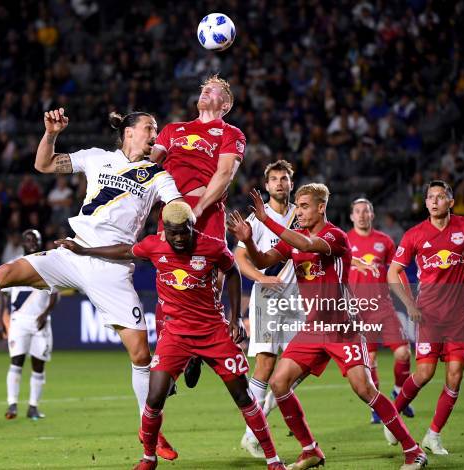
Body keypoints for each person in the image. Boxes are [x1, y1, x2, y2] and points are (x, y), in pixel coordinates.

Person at [0, 107, 182, 460]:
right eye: (148, 128)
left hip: (111, 265)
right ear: (128, 133)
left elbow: (178, 210)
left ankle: (151, 432)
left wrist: (179, 215)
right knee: (7, 273)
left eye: (155, 129)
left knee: (141, 354)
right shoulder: (97, 158)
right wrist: (51, 134)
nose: (154, 134)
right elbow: (45, 165)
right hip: (71, 253)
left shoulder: (158, 175)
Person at [55, 202, 286, 470]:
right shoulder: (155, 245)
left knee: (243, 396)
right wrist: (84, 250)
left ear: (192, 227)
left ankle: (273, 459)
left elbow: (232, 272)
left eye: (183, 232)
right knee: (154, 398)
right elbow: (124, 251)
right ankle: (149, 458)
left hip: (213, 332)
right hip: (175, 334)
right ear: (165, 229)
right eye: (173, 232)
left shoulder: (212, 246)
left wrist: (235, 319)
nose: (178, 238)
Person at [228, 185, 427, 470]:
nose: (299, 210)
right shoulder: (294, 239)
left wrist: (266, 220)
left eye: (305, 205)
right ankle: (310, 449)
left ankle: (413, 450)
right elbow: (263, 261)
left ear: (321, 207)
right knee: (279, 382)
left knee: (364, 389)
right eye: (297, 205)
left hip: (341, 326)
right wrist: (249, 241)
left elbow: (308, 246)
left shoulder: (335, 236)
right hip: (312, 328)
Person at [385, 180, 464, 455]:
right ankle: (392, 418)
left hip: (459, 316)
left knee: (455, 375)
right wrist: (409, 305)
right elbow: (392, 273)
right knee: (425, 373)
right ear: (426, 203)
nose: (435, 201)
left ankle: (433, 435)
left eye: (441, 197)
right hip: (428, 316)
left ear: (451, 202)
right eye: (430, 197)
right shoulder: (415, 234)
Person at [151, 74, 246, 387]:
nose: (206, 91)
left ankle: (204, 352)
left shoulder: (230, 133)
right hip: (172, 213)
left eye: (214, 90)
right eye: (204, 88)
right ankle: (170, 355)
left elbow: (224, 175)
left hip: (206, 216)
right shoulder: (172, 130)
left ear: (226, 104)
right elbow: (147, 167)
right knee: (167, 280)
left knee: (207, 283)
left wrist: (198, 209)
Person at [234, 160, 300, 457]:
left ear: (291, 183)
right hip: (269, 298)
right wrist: (261, 276)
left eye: (283, 178)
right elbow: (240, 258)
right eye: (273, 179)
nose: (279, 183)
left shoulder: (301, 215)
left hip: (299, 299)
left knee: (302, 362)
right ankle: (252, 434)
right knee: (265, 364)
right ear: (267, 184)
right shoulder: (257, 218)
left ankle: (265, 415)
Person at [347, 198, 414, 424]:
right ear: (352, 216)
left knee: (404, 353)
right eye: (358, 211)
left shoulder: (385, 241)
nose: (363, 215)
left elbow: (398, 271)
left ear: (372, 214)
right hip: (359, 310)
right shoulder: (345, 241)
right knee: (371, 358)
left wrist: (408, 300)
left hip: (383, 306)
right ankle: (377, 407)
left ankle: (398, 391)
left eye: (366, 211)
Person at [0, 229, 59, 420]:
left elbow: (55, 295)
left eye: (35, 240)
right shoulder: (13, 265)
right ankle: (12, 405)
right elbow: (2, 294)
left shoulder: (48, 263)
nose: (32, 242)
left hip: (40, 322)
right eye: (28, 240)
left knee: (38, 365)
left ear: (40, 243)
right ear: (22, 243)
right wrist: (0, 320)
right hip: (19, 321)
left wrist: (45, 314)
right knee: (16, 361)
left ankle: (33, 407)